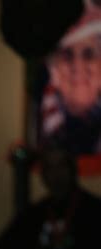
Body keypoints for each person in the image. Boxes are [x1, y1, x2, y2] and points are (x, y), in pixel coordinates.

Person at [0, 144, 101, 249]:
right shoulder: (33, 215)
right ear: (43, 174)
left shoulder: (94, 210)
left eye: (61, 166)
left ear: (72, 169)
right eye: (50, 168)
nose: (56, 174)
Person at [40, 3, 101, 155]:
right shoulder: (45, 124)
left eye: (89, 54)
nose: (78, 66)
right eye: (67, 56)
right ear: (55, 72)